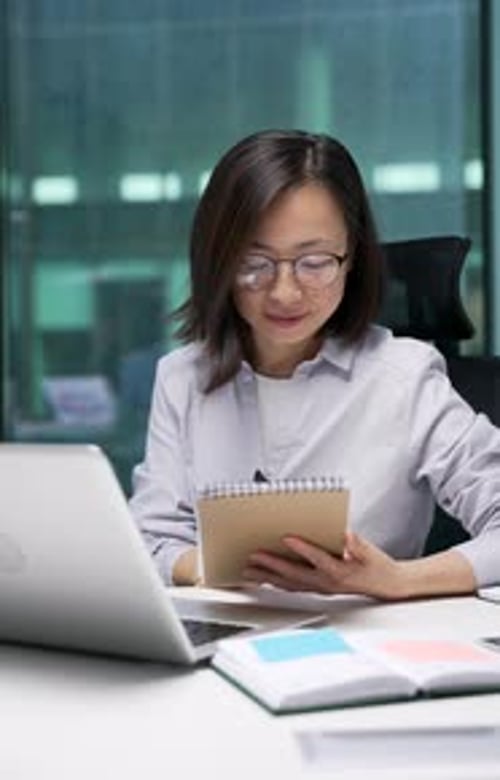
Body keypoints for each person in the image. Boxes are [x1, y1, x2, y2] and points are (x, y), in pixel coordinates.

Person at [129, 129, 500, 599]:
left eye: (315, 262)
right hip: (227, 630)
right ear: (218, 261)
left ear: (351, 258)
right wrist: (218, 566)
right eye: (254, 262)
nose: (284, 292)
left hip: (365, 633)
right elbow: (148, 538)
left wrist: (397, 580)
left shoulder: (405, 377)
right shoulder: (183, 376)